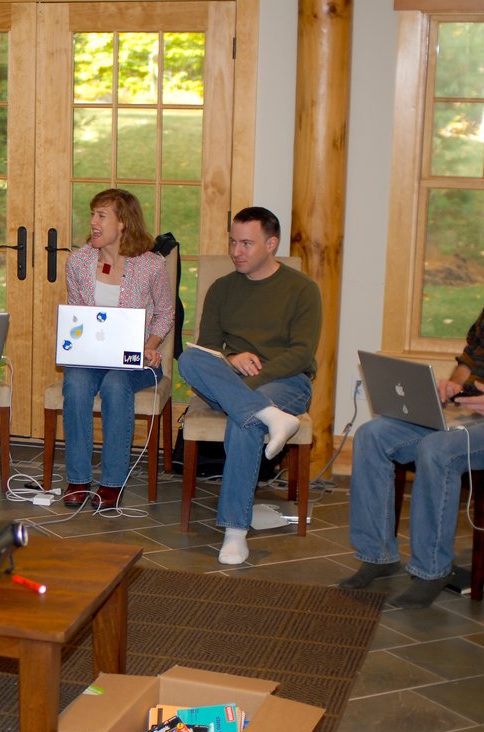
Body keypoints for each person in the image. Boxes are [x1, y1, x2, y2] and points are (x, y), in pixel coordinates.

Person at [340, 227, 484, 608]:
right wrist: (452, 387)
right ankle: (377, 555)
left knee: (438, 449)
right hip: (475, 411)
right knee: (373, 434)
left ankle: (431, 571)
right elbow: (471, 356)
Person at [176, 207, 322, 565]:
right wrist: (231, 359)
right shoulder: (222, 289)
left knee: (247, 418)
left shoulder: (303, 290)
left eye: (246, 243)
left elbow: (302, 354)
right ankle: (271, 416)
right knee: (188, 359)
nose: (236, 251)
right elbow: (206, 348)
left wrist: (252, 384)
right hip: (230, 379)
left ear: (271, 244)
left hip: (287, 381)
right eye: (232, 242)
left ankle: (235, 531)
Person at [60, 188, 174, 510]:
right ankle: (79, 478)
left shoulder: (150, 265)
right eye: (92, 214)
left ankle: (112, 483)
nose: (93, 222)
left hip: (135, 358)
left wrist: (149, 347)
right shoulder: (79, 261)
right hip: (93, 357)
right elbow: (79, 315)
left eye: (101, 216)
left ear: (122, 223)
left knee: (115, 384)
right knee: (77, 383)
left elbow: (165, 313)